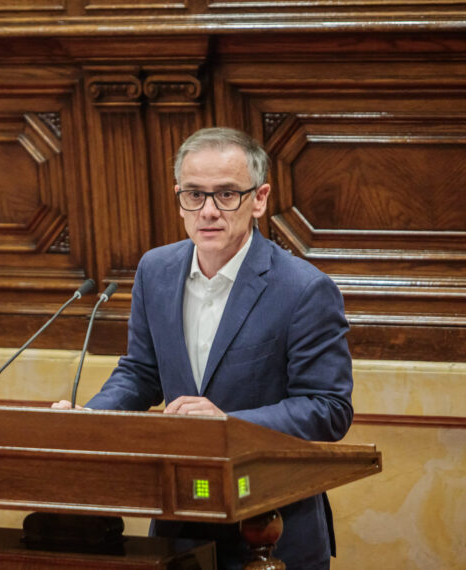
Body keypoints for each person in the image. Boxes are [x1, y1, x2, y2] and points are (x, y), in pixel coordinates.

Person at [53, 127, 353, 569]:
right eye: (194, 195)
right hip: (180, 526)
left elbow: (329, 409)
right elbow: (141, 373)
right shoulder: (156, 270)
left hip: (271, 529)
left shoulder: (305, 289)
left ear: (259, 198)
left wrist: (226, 422)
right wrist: (93, 420)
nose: (208, 211)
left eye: (227, 194)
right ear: (178, 196)